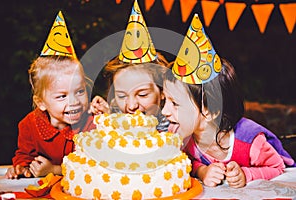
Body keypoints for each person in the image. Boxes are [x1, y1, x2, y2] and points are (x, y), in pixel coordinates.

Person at [161, 14, 295, 188]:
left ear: (210, 111)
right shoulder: (183, 135)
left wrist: (247, 174)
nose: (164, 111)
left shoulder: (250, 142)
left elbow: (277, 167)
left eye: (175, 103)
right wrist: (201, 171)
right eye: (165, 101)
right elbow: (185, 160)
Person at [5, 11, 96, 179]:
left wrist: (54, 170)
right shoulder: (29, 125)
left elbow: (94, 166)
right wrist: (21, 168)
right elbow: (25, 156)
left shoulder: (92, 124)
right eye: (62, 96)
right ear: (41, 103)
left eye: (80, 91)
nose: (74, 102)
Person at [90, 0, 170, 132]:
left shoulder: (177, 127)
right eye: (122, 96)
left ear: (163, 91)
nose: (131, 106)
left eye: (143, 95)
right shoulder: (115, 115)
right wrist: (107, 116)